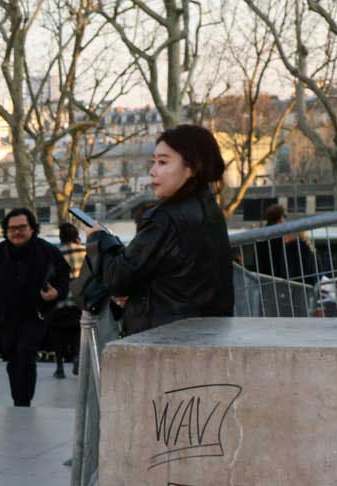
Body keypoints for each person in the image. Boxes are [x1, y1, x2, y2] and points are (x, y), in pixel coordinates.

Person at [84, 125, 234, 336]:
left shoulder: (165, 218)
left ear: (191, 168)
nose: (153, 171)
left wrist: (97, 238)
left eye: (162, 162)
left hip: (163, 338)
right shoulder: (210, 209)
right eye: (153, 162)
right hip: (206, 334)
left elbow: (117, 279)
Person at [0, 208, 69, 406]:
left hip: (35, 315)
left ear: (32, 228)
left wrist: (56, 293)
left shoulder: (47, 251)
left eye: (22, 227)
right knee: (13, 360)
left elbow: (65, 278)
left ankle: (23, 402)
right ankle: (19, 399)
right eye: (12, 229)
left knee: (25, 356)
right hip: (5, 317)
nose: (16, 232)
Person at [51, 221, 86, 379]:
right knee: (77, 332)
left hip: (60, 300)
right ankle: (77, 358)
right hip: (79, 300)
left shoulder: (56, 254)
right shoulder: (84, 251)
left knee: (58, 334)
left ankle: (59, 367)